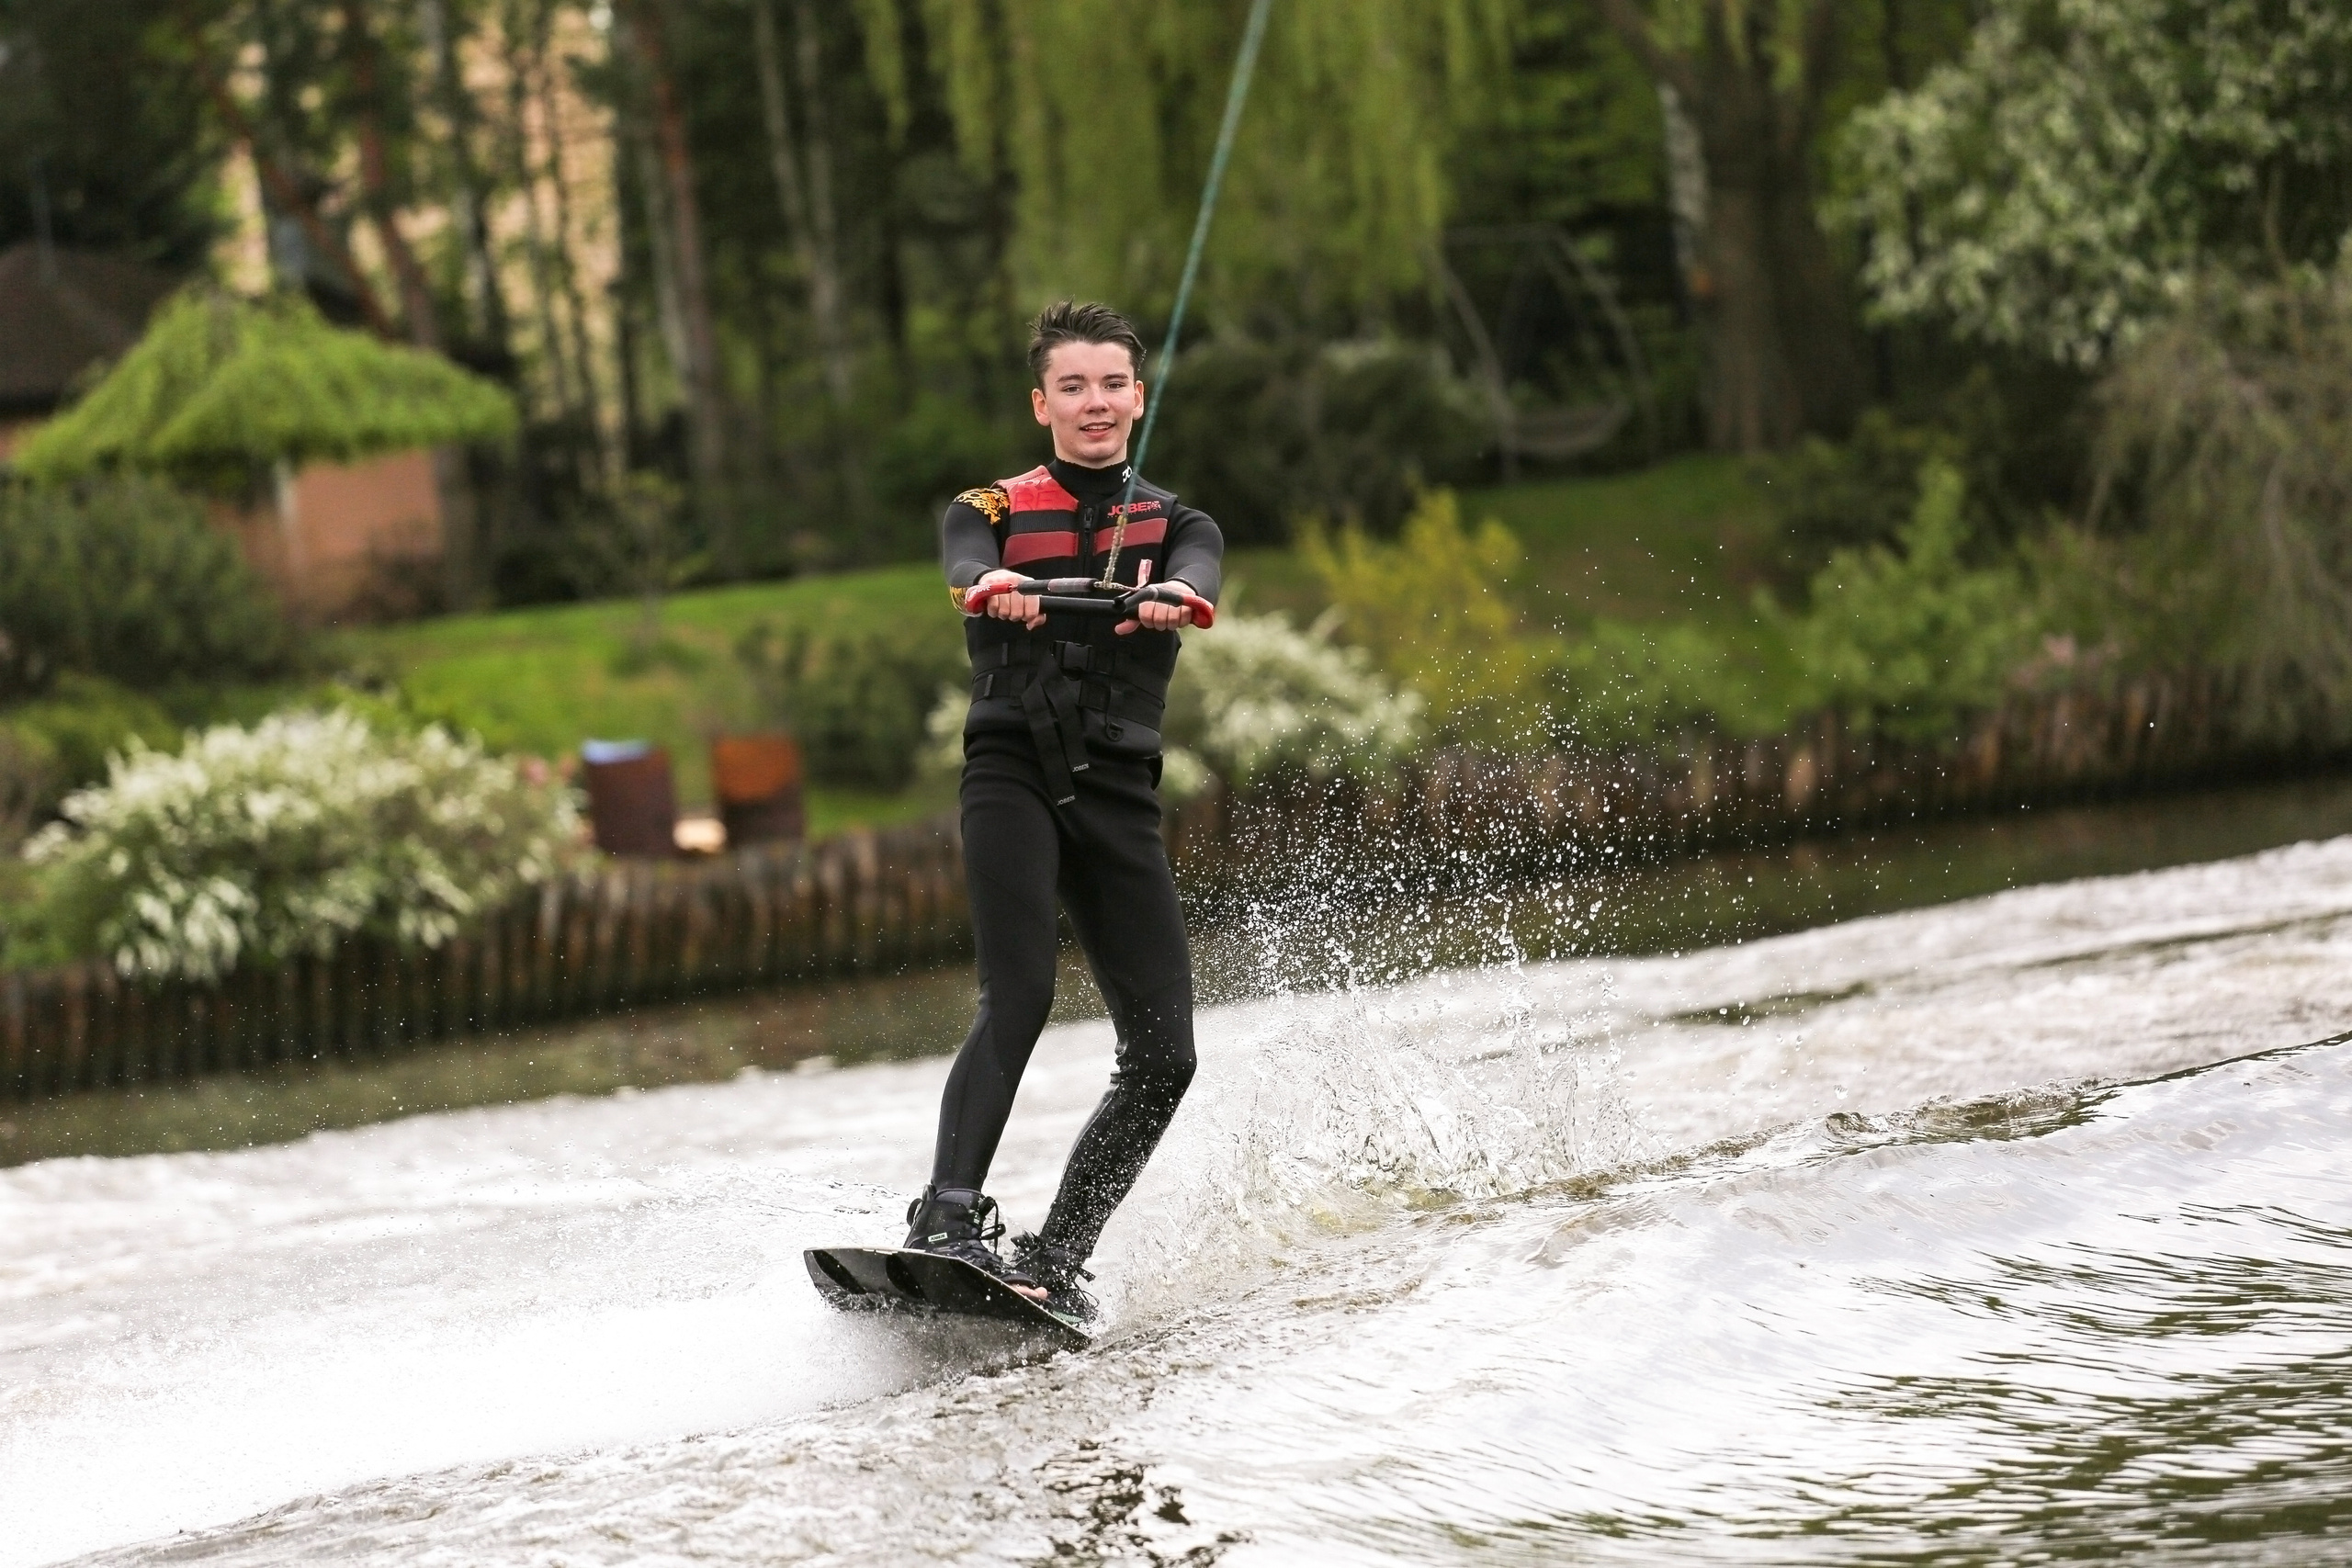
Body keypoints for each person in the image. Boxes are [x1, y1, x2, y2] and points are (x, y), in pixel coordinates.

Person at [903, 299, 1223, 1322]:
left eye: (1113, 384)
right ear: (1041, 403)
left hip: (1118, 796)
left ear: (1139, 397)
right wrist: (994, 584)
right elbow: (964, 564)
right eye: (1073, 386)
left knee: (1167, 1053)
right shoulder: (986, 508)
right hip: (1013, 777)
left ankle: (1057, 1255)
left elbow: (1200, 576)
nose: (1096, 403)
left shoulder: (1180, 525)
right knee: (1023, 993)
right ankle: (946, 1218)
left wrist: (1176, 598)